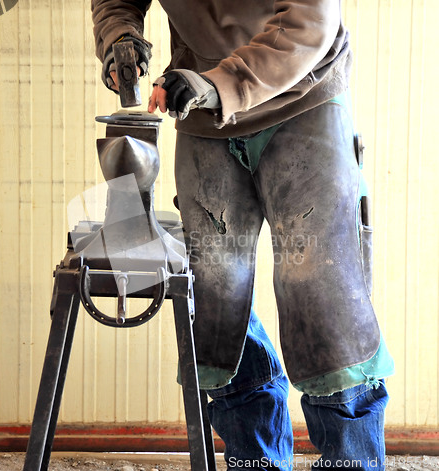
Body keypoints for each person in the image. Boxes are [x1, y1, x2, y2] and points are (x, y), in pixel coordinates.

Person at [91, 1, 395, 470]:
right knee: (216, 301)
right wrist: (119, 34)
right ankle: (255, 459)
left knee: (324, 296)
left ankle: (349, 462)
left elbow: (309, 21)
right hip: (202, 109)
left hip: (302, 93)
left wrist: (219, 84)